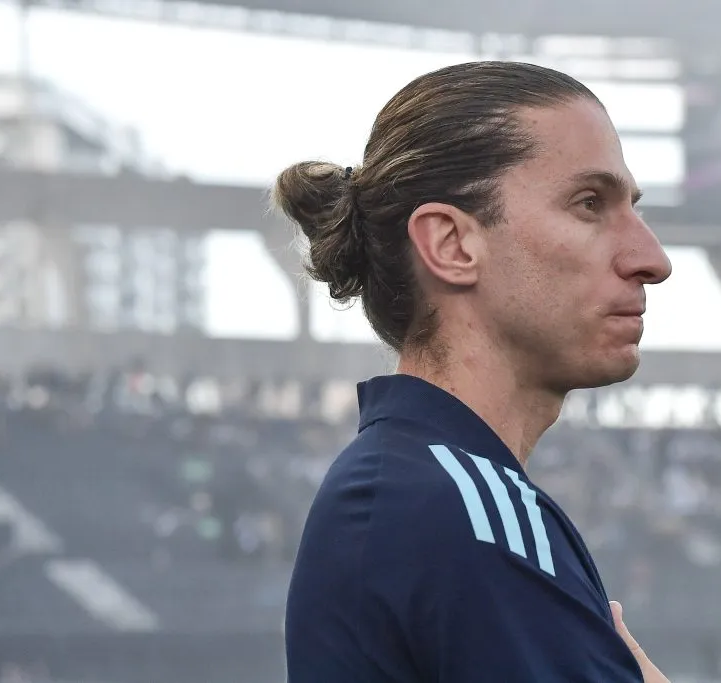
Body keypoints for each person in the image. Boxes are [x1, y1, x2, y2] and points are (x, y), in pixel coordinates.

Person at [275, 60, 672, 682]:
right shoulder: (461, 508)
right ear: (451, 245)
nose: (652, 258)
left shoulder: (413, 485)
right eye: (590, 204)